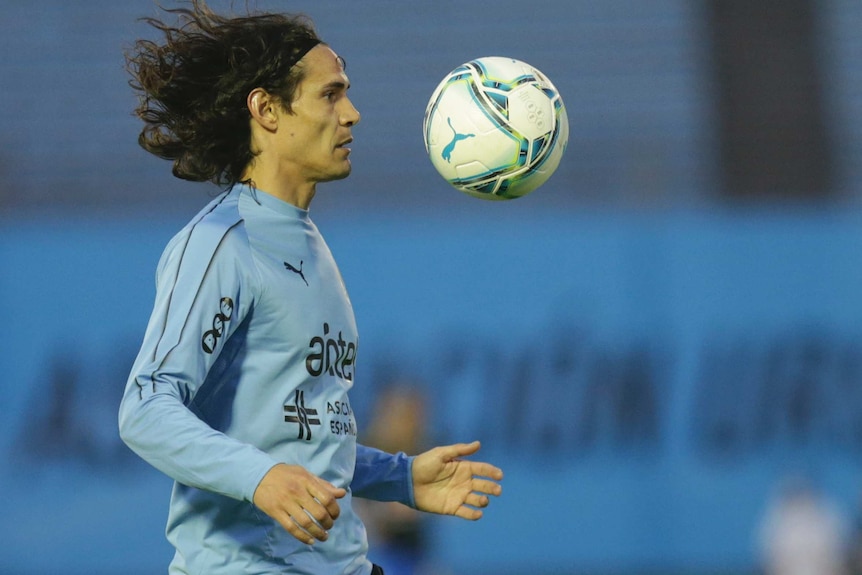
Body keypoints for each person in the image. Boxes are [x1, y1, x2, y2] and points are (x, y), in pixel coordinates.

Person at [117, 2, 503, 574]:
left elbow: (306, 426)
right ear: (266, 109)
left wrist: (398, 477)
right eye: (330, 94)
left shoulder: (308, 242)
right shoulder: (222, 243)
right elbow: (145, 408)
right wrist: (260, 478)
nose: (352, 114)